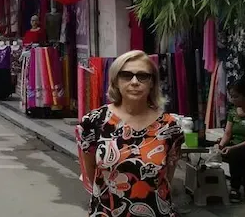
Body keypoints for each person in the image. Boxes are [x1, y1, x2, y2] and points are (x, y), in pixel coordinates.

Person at [77, 50, 183, 217]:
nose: (134, 82)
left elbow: (167, 176)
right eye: (126, 75)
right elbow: (90, 171)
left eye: (143, 76)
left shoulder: (170, 126)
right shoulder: (94, 122)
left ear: (152, 82)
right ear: (116, 81)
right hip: (107, 212)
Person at [217, 79, 245, 202]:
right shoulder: (232, 113)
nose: (233, 99)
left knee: (239, 153)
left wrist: (232, 148)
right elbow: (227, 133)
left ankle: (237, 187)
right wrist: (220, 146)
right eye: (232, 96)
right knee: (229, 152)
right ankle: (238, 187)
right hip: (233, 146)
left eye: (236, 96)